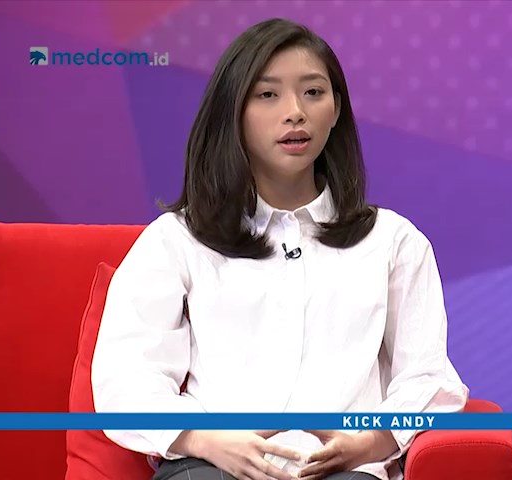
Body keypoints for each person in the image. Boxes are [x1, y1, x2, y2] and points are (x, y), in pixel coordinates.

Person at [91, 17, 468, 480]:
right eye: (268, 94)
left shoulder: (393, 242)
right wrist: (206, 439)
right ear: (233, 111)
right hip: (213, 465)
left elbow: (427, 378)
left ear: (336, 109)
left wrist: (370, 443)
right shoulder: (177, 239)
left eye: (313, 92)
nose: (295, 112)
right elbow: (127, 376)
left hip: (345, 470)